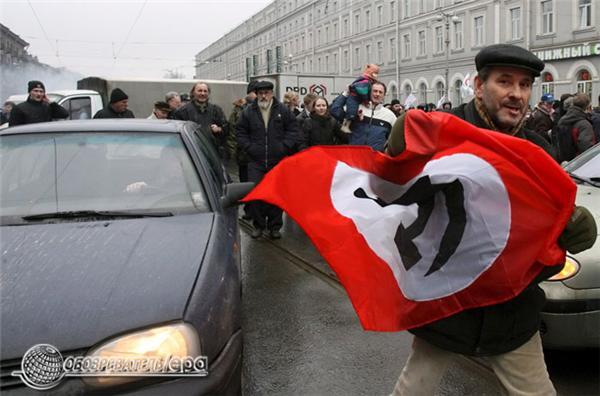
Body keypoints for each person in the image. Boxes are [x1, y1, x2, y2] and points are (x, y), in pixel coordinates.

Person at [386, 43, 597, 396]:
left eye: (525, 85)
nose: (517, 94)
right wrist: (399, 150)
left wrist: (571, 231)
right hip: (448, 302)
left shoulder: (538, 152)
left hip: (510, 311)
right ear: (480, 86)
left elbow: (543, 238)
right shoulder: (443, 134)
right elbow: (393, 191)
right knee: (414, 389)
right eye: (505, 82)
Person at [235, 80, 299, 239]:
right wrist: (250, 148)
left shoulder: (282, 110)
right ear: (256, 94)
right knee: (256, 193)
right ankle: (258, 225)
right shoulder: (249, 111)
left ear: (272, 93)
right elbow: (240, 132)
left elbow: (293, 129)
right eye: (261, 93)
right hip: (255, 161)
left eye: (267, 93)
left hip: (277, 160)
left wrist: (284, 147)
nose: (264, 96)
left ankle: (275, 226)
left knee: (277, 193)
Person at [330, 81, 396, 152]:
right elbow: (335, 110)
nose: (377, 94)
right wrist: (346, 93)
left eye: (380, 92)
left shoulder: (390, 116)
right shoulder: (355, 108)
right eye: (375, 91)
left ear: (384, 95)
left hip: (376, 159)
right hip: (355, 156)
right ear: (369, 92)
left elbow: (395, 138)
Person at [226, 80, 258, 221]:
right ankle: (249, 210)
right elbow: (232, 131)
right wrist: (234, 152)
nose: (257, 95)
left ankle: (259, 212)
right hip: (244, 155)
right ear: (249, 93)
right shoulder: (239, 109)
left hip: (258, 155)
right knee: (246, 184)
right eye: (255, 92)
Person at [172, 81, 228, 158]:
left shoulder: (216, 110)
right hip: (191, 154)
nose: (202, 93)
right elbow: (176, 135)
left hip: (213, 154)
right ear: (193, 93)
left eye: (205, 91)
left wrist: (219, 129)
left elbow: (227, 129)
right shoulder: (182, 111)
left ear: (208, 93)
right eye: (199, 90)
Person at [555, 92, 596, 161]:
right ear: (587, 105)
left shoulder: (562, 119)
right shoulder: (584, 124)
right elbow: (586, 148)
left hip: (564, 161)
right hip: (578, 162)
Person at [340, 63, 380, 133]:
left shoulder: (367, 80)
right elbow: (363, 92)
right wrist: (366, 100)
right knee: (352, 110)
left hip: (357, 98)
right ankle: (345, 125)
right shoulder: (365, 81)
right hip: (354, 98)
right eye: (375, 73)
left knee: (355, 110)